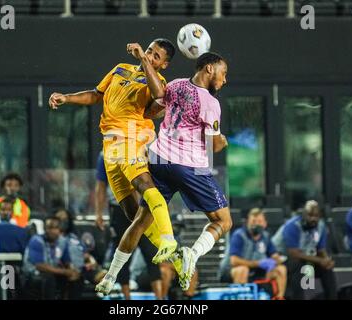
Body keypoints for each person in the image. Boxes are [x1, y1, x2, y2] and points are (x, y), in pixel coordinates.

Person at [99, 52, 232, 295]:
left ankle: (111, 275)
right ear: (210, 69)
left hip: (159, 160)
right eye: (223, 73)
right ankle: (192, 253)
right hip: (190, 165)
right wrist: (223, 140)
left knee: (139, 221)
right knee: (223, 221)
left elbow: (151, 112)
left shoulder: (174, 85)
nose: (225, 80)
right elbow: (214, 145)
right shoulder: (211, 104)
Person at [49, 40, 179, 271]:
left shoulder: (158, 81)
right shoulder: (120, 68)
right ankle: (177, 258)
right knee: (131, 212)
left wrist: (143, 60)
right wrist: (67, 98)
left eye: (156, 56)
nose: (150, 56)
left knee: (145, 186)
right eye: (149, 51)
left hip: (132, 139)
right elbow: (95, 95)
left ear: (164, 65)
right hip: (110, 146)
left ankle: (169, 239)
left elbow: (159, 96)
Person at [95, 151, 163, 299]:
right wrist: (99, 213)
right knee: (122, 251)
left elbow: (154, 179)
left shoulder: (141, 148)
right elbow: (101, 185)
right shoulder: (105, 154)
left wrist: (159, 208)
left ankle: (160, 299)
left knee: (151, 252)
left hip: (143, 206)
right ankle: (127, 300)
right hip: (120, 208)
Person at [272, 200, 337, 300]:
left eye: (316, 216)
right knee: (298, 264)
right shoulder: (292, 225)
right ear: (303, 214)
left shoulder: (321, 226)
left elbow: (321, 249)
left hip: (305, 259)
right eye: (310, 215)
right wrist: (320, 260)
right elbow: (294, 254)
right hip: (282, 259)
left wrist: (326, 260)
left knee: (327, 269)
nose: (313, 219)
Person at [229, 208, 286, 299]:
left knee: (281, 269)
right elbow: (233, 260)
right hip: (238, 271)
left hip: (259, 272)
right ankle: (240, 297)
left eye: (259, 221)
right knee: (242, 270)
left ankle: (279, 297)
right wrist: (257, 263)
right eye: (253, 221)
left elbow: (275, 255)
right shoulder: (239, 235)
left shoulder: (266, 236)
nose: (256, 224)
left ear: (265, 224)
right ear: (248, 222)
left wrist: (274, 261)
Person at [23, 217, 81, 300]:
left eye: (55, 228)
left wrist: (72, 271)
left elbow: (67, 261)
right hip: (32, 275)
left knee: (77, 278)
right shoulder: (36, 240)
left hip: (52, 272)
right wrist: (65, 272)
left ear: (60, 229)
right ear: (45, 229)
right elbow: (40, 266)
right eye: (49, 227)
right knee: (49, 278)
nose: (52, 231)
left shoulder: (62, 242)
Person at [54, 208, 106, 288]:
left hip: (81, 267)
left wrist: (92, 262)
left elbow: (86, 254)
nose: (63, 221)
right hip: (63, 267)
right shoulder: (52, 238)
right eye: (60, 219)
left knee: (99, 276)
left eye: (65, 219)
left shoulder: (73, 237)